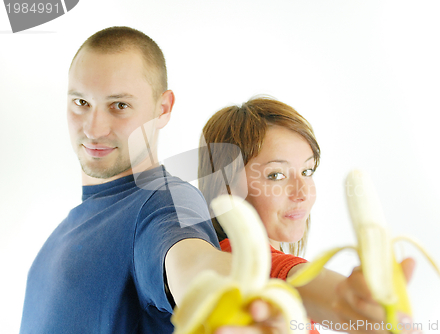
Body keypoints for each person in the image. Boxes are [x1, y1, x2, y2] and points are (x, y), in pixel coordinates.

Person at [19, 27, 288, 334]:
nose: (94, 129)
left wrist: (230, 302)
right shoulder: (67, 227)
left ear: (163, 108)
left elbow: (190, 264)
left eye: (119, 105)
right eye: (81, 103)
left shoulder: (164, 201)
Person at [198, 97, 418, 334]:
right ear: (226, 187)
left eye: (307, 171)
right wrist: (347, 302)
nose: (303, 192)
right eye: (276, 175)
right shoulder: (232, 262)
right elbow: (287, 276)